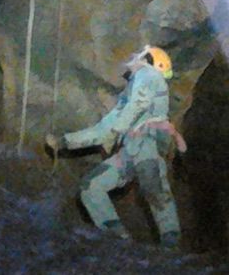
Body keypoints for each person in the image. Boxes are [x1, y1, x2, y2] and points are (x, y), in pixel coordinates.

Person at [46, 45, 187, 247]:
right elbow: (104, 128)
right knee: (91, 187)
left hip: (147, 146)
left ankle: (171, 253)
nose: (134, 57)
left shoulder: (149, 75)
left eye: (140, 55)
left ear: (150, 60)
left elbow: (135, 107)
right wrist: (66, 141)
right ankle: (119, 239)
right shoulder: (130, 91)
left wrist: (117, 129)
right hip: (129, 152)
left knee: (154, 189)